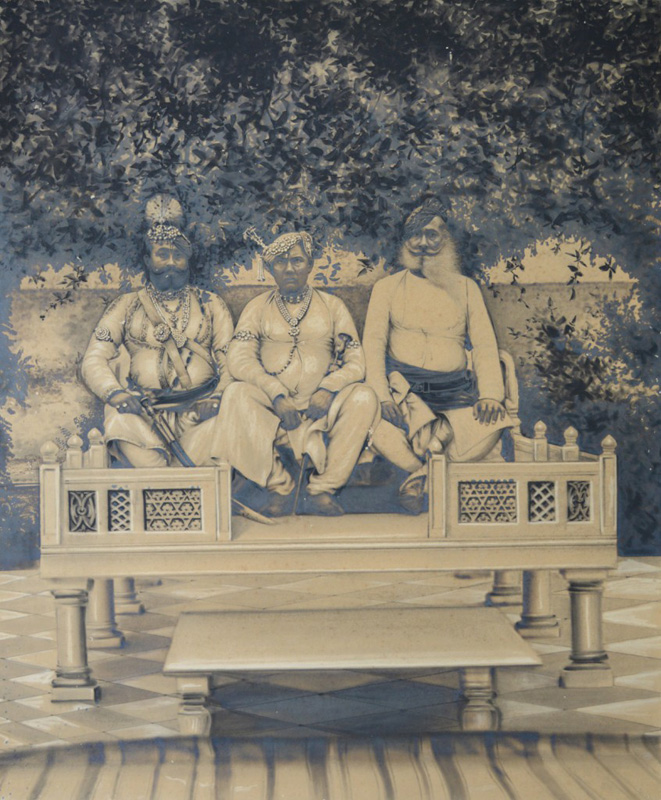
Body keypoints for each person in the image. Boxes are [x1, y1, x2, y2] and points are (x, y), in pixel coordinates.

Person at [362, 198, 512, 513]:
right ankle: (426, 471)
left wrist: (490, 396)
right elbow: (372, 347)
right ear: (405, 241)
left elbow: (484, 346)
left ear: (447, 239)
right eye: (415, 235)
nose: (423, 244)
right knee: (370, 422)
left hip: (456, 396)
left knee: (494, 423)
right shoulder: (386, 289)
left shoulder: (466, 288)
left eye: (432, 235)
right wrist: (383, 397)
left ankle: (421, 476)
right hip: (406, 396)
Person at [216, 232, 379, 516]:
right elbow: (239, 358)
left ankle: (322, 490)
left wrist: (328, 389)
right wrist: (275, 393)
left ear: (310, 264)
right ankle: (279, 487)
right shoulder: (257, 307)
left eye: (297, 261)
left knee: (364, 397)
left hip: (324, 407)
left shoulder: (332, 306)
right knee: (235, 393)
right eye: (281, 262)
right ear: (270, 268)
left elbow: (356, 362)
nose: (289, 268)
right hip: (274, 406)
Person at [81, 194, 234, 467]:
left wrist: (218, 397)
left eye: (179, 255)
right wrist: (115, 393)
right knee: (118, 420)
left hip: (200, 414)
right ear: (147, 259)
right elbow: (94, 358)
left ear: (188, 260)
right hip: (144, 416)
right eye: (163, 255)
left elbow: (230, 360)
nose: (172, 262)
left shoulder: (211, 304)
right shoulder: (125, 305)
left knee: (229, 423)